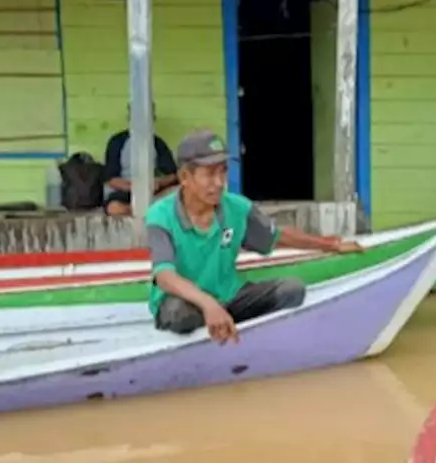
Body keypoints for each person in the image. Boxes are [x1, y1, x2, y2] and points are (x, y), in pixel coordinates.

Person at [146, 129, 365, 342]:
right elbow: (165, 277)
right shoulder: (160, 215)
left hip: (227, 297)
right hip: (186, 303)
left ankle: (233, 328)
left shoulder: (237, 208)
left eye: (223, 171)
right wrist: (208, 305)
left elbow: (278, 236)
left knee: (291, 289)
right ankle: (216, 325)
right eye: (210, 174)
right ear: (185, 177)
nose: (220, 182)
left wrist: (331, 245)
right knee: (178, 313)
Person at [102, 103, 178, 216]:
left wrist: (158, 183)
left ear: (153, 119)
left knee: (180, 193)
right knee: (114, 208)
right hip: (125, 191)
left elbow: (173, 175)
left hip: (152, 191)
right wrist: (134, 187)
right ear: (129, 118)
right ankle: (142, 211)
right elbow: (110, 179)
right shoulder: (117, 142)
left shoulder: (157, 143)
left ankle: (146, 210)